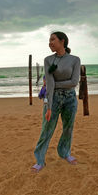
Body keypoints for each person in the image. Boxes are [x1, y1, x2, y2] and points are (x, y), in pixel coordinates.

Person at [31, 31, 81, 173]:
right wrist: (48, 106)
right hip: (53, 98)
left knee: (68, 128)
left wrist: (52, 84)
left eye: (53, 39)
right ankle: (40, 160)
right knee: (47, 129)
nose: (50, 42)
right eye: (49, 40)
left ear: (62, 41)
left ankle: (65, 153)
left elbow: (74, 82)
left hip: (70, 98)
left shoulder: (75, 60)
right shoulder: (48, 60)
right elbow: (50, 87)